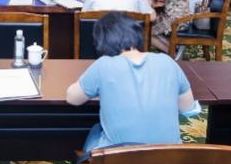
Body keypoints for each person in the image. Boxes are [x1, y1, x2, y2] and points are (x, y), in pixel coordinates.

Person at [65, 12, 198, 151]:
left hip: (118, 160)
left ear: (101, 41)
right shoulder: (168, 62)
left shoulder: (104, 65)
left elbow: (73, 98)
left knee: (95, 130)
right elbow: (187, 107)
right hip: (170, 157)